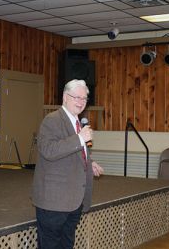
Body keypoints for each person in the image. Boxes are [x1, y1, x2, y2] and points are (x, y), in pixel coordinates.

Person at [32, 79, 104, 249]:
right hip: (54, 202)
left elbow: (72, 151)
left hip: (73, 201)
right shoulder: (53, 120)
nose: (81, 102)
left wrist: (89, 162)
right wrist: (80, 138)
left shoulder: (78, 122)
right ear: (65, 97)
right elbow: (49, 150)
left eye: (84, 98)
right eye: (76, 97)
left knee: (66, 244)